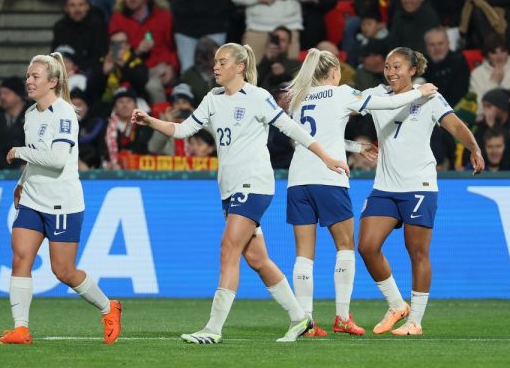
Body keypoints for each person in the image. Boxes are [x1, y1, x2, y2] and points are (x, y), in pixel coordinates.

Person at [131, 43, 350, 343]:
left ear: (239, 67)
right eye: (215, 62)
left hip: (254, 184)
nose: (216, 67)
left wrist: (326, 157)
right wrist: (150, 120)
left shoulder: (258, 97)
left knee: (228, 250)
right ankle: (301, 318)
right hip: (229, 188)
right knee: (257, 260)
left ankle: (213, 329)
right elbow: (183, 131)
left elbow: (292, 129)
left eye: (222, 62)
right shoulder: (213, 97)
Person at [284, 48, 437, 337]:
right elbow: (383, 102)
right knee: (345, 248)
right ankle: (342, 317)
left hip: (297, 180)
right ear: (334, 73)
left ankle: (306, 322)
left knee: (304, 256)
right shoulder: (341, 93)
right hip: (329, 178)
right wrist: (420, 91)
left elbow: (312, 138)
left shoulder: (299, 98)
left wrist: (356, 147)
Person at [0, 52, 122, 345]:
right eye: (28, 76)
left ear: (52, 81)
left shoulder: (64, 113)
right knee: (20, 258)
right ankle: (21, 329)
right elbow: (38, 158)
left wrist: (18, 152)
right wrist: (21, 181)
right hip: (33, 200)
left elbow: (57, 159)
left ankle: (109, 307)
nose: (29, 81)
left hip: (62, 203)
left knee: (63, 271)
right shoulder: (30, 114)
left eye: (35, 76)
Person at [358, 47, 484, 336]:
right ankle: (395, 304)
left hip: (419, 186)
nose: (391, 72)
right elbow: (348, 106)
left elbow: (454, 124)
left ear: (413, 69)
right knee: (367, 246)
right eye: (388, 66)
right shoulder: (377, 94)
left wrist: (474, 147)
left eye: (397, 66)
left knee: (417, 251)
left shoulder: (430, 96)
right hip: (385, 186)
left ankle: (414, 320)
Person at [51, 0, 107, 79]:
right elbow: (55, 54)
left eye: (80, 5)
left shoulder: (98, 26)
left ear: (87, 7)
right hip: (66, 73)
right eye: (72, 5)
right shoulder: (60, 27)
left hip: (91, 74)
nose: (77, 9)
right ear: (66, 8)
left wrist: (78, 68)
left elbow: (99, 56)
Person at [469, 34, 510, 120]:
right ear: (487, 54)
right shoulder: (477, 74)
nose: (499, 56)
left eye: (503, 51)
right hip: (486, 121)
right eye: (494, 52)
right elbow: (478, 108)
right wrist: (493, 82)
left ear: (508, 51)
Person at [0, 77, 27, 170]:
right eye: (0, 93)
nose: (2, 97)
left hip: (26, 172)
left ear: (18, 96)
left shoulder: (34, 115)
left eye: (6, 93)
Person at [423, 27, 470, 107]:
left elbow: (460, 94)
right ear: (426, 47)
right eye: (432, 45)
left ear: (448, 44)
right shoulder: (422, 65)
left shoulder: (459, 61)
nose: (437, 48)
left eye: (440, 43)